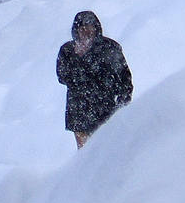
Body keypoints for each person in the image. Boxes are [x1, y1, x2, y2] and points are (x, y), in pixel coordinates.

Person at [55, 9, 132, 148]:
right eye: (82, 28)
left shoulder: (110, 47)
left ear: (96, 28)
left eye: (89, 27)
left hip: (106, 110)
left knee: (109, 148)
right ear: (76, 30)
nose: (86, 31)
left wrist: (122, 104)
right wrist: (78, 60)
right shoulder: (68, 50)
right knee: (85, 153)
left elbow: (124, 78)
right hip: (79, 112)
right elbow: (62, 76)